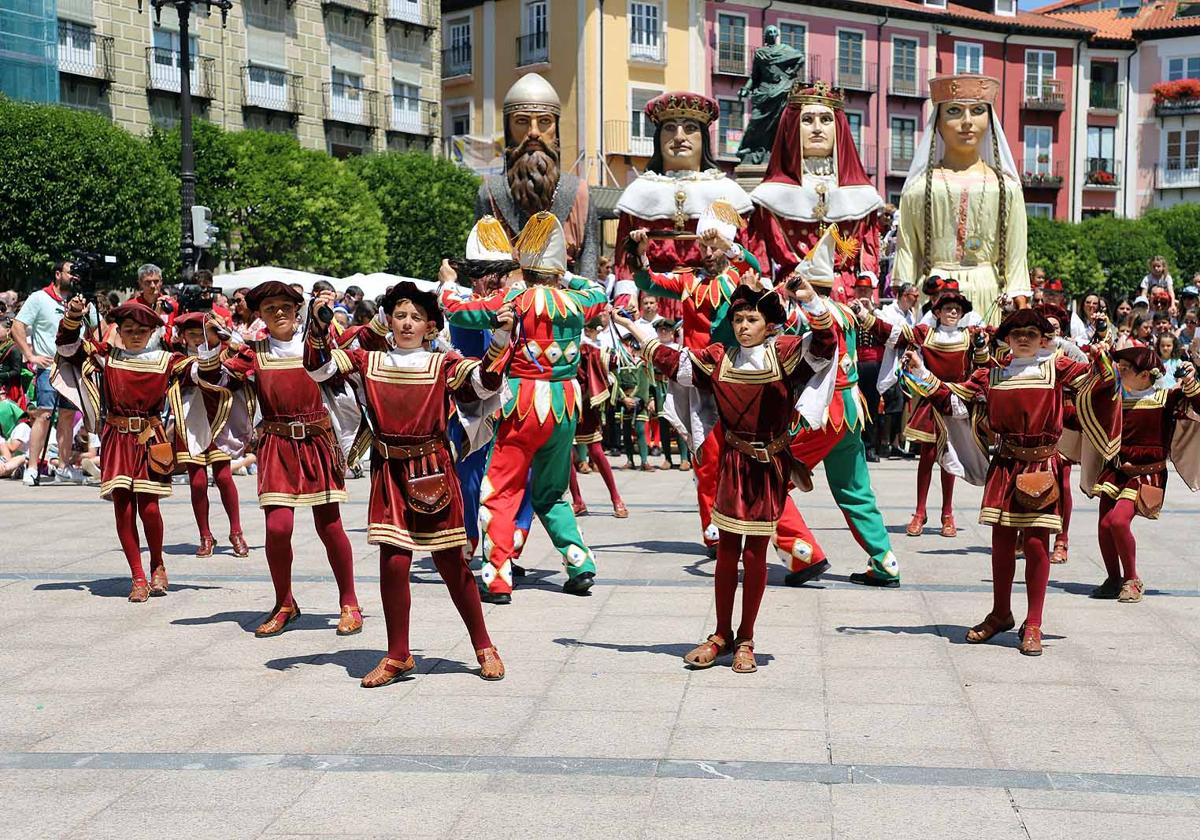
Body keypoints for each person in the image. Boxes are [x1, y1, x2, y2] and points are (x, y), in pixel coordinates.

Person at [616, 278, 835, 673]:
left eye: (752, 319)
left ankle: (746, 638)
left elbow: (825, 346)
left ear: (770, 325)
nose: (743, 326)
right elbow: (674, 363)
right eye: (737, 319)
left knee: (756, 554)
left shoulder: (785, 353)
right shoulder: (719, 356)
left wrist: (812, 302)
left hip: (769, 466)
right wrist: (636, 330)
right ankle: (720, 634)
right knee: (726, 553)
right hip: (734, 463)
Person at [304, 282, 510, 686]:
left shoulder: (444, 364)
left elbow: (486, 383)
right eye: (400, 315)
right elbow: (319, 367)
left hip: (433, 470)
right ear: (388, 320)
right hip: (389, 472)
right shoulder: (368, 360)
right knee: (394, 563)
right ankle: (398, 655)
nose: (407, 323)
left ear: (431, 326)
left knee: (452, 564)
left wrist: (501, 337)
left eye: (416, 317)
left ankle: (485, 645)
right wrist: (316, 322)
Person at [903, 308, 1119, 655]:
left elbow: (1100, 383)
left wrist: (1101, 356)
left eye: (1031, 333)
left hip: (1041, 465)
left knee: (1036, 544)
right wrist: (921, 373)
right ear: (1006, 338)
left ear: (1043, 339)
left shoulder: (1057, 366)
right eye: (1016, 333)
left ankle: (1033, 623)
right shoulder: (992, 373)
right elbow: (953, 399)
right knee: (1001, 542)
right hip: (1004, 464)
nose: (1023, 339)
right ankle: (1000, 613)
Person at [439, 212, 609, 603]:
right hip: (565, 403)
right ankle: (579, 560)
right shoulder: (578, 300)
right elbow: (598, 291)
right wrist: (565, 276)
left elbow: (459, 310)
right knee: (552, 492)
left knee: (501, 489)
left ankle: (497, 576)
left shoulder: (516, 298)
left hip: (522, 404)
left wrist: (449, 285)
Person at [210, 281, 362, 638]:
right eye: (269, 308)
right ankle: (284, 603)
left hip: (317, 441)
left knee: (330, 527)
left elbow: (349, 369)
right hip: (276, 445)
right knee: (278, 529)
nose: (278, 312)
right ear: (259, 315)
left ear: (297, 311)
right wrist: (206, 351)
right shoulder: (253, 352)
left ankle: (349, 602)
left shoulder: (318, 345)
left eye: (285, 306)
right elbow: (219, 384)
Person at [54, 300, 225, 601]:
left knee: (149, 508)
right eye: (129, 329)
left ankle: (157, 562)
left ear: (152, 332)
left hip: (151, 438)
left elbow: (205, 374)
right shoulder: (108, 357)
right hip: (116, 437)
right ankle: (137, 575)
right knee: (123, 507)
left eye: (142, 330)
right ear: (118, 331)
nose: (135, 334)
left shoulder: (167, 361)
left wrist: (214, 339)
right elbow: (68, 349)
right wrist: (73, 316)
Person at [771, 231, 902, 588]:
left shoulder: (811, 314)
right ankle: (884, 560)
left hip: (823, 413)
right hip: (850, 410)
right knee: (854, 488)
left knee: (766, 477)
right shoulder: (847, 311)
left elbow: (811, 330)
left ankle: (802, 554)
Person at [629, 204, 760, 554]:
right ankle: (712, 530)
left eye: (713, 246)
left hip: (739, 380)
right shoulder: (688, 282)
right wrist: (639, 253)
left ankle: (748, 524)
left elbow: (756, 266)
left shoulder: (739, 278)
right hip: (701, 381)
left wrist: (726, 243)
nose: (707, 252)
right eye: (704, 246)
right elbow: (648, 281)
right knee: (707, 459)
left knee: (747, 460)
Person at [894, 75, 1031, 322]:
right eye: (955, 111)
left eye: (977, 111)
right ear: (938, 122)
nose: (967, 122)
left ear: (989, 121)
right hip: (934, 296)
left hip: (990, 294)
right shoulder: (918, 188)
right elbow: (907, 252)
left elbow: (1016, 255)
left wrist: (1019, 299)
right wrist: (903, 296)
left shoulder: (1006, 188)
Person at [856, 282, 989, 538]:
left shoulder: (969, 335)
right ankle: (920, 512)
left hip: (955, 403)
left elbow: (983, 365)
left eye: (957, 309)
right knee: (927, 458)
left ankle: (947, 513)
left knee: (950, 459)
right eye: (947, 308)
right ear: (937, 312)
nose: (952, 312)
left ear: (962, 314)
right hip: (930, 401)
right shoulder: (925, 333)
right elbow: (893, 334)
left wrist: (982, 345)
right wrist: (865, 316)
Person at [747, 80, 886, 304]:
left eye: (826, 119)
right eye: (807, 120)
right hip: (792, 298)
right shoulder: (768, 198)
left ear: (838, 128)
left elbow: (868, 259)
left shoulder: (863, 197)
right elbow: (760, 261)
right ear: (792, 128)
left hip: (847, 300)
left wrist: (868, 300)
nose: (817, 128)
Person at [1089, 345, 1200, 603]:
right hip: (1116, 470)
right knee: (1105, 526)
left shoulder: (1166, 398)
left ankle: (1132, 579)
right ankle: (1113, 578)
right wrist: (1100, 354)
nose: (1120, 371)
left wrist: (1191, 381)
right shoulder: (1117, 397)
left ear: (1144, 375)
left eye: (1126, 369)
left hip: (1147, 474)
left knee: (1118, 522)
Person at [476, 73, 597, 281]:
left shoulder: (579, 194)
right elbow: (480, 269)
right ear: (508, 128)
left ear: (556, 130)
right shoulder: (489, 194)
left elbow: (589, 270)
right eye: (522, 121)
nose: (533, 132)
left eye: (544, 122)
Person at [171, 312, 250, 558]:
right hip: (190, 423)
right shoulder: (177, 360)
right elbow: (201, 372)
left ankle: (236, 532)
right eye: (192, 334)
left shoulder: (228, 355)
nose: (198, 339)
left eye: (205, 334)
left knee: (224, 477)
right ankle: (205, 535)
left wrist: (230, 340)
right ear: (182, 337)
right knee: (197, 482)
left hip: (219, 420)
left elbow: (249, 362)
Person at [13, 258, 98, 485]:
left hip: (74, 367)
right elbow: (17, 326)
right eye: (71, 272)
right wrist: (30, 356)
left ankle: (63, 466)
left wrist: (88, 312)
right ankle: (32, 467)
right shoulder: (39, 298)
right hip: (49, 366)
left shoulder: (79, 300)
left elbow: (96, 330)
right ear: (58, 274)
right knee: (44, 414)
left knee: (68, 417)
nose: (75, 277)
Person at [569, 313, 627, 517]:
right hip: (564, 403)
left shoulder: (585, 348)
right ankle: (577, 500)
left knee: (596, 451)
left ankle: (616, 498)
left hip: (585, 404)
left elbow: (605, 360)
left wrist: (609, 360)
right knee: (565, 455)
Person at [615, 333, 653, 471]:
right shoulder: (620, 362)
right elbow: (615, 382)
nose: (629, 347)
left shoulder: (644, 363)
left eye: (631, 344)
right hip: (625, 401)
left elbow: (650, 383)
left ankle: (644, 461)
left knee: (641, 430)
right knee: (626, 431)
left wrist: (650, 399)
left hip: (641, 401)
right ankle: (630, 460)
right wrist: (623, 398)